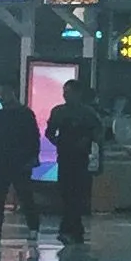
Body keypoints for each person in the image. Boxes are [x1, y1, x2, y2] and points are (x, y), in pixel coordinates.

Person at [45, 77, 103, 245]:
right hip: (64, 158)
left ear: (78, 94)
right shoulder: (58, 112)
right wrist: (59, 144)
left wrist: (88, 141)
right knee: (66, 193)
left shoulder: (88, 113)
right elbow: (50, 133)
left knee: (76, 195)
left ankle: (69, 229)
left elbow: (98, 133)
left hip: (81, 159)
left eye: (68, 93)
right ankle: (74, 229)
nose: (65, 96)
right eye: (64, 93)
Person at [0, 89, 42, 244]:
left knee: (25, 197)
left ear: (13, 92)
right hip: (2, 162)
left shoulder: (25, 114)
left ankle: (33, 228)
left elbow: (34, 138)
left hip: (20, 162)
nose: (2, 96)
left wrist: (32, 157)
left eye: (5, 91)